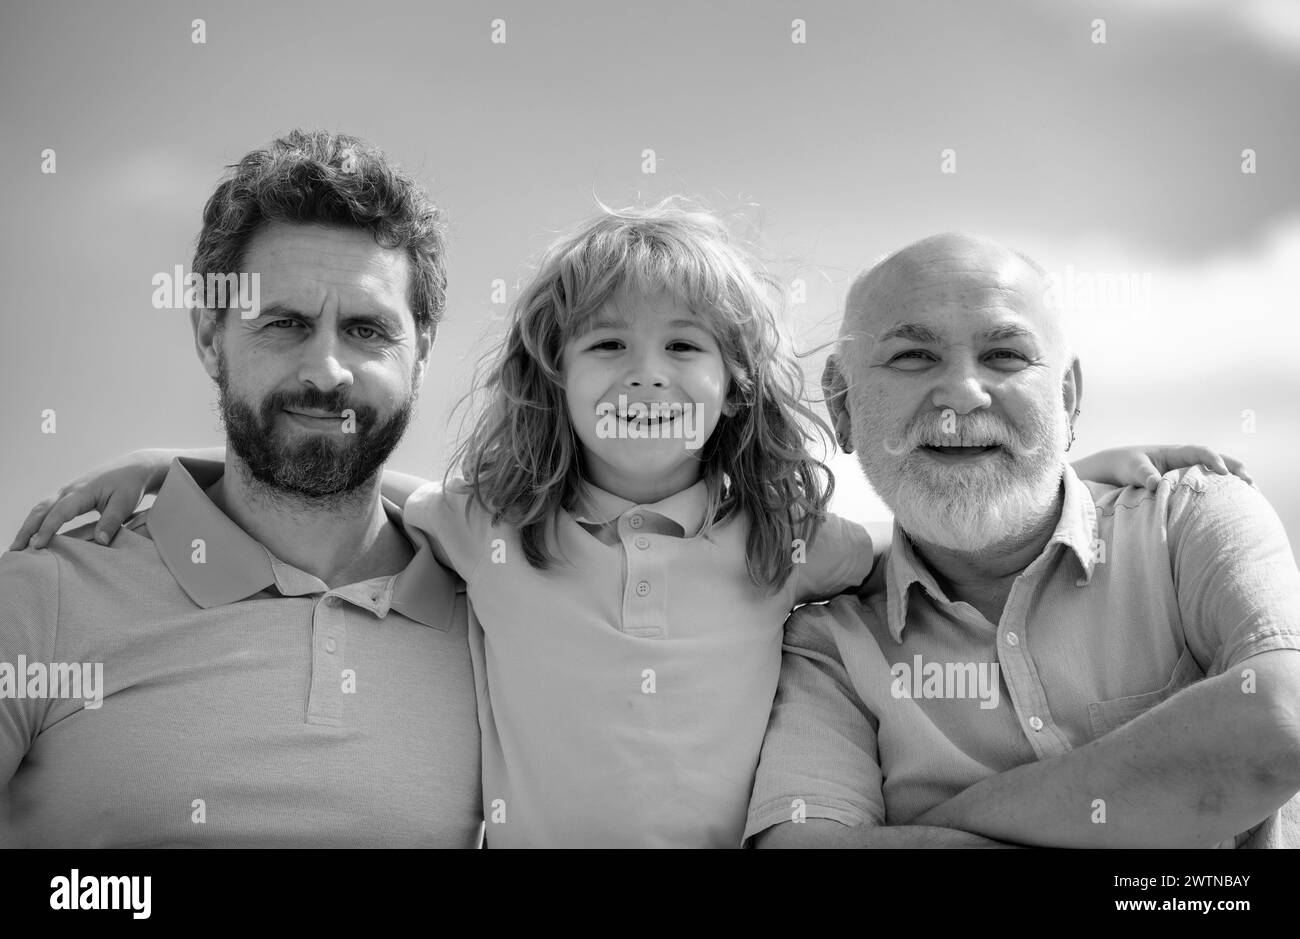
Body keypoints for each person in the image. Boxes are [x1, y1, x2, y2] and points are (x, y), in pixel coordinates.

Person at [10, 208, 1244, 848]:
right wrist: (165, 468)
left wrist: (1081, 469)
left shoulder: (798, 549)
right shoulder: (486, 528)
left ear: (737, 385)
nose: (643, 374)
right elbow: (324, 488)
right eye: (605, 345)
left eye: (683, 348)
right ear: (553, 378)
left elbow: (949, 526)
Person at [0, 129, 481, 847]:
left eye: (366, 329)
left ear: (423, 351)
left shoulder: (495, 620)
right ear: (207, 335)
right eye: (284, 323)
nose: (328, 371)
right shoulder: (43, 599)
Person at [745, 232, 1300, 848]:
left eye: (1006, 355)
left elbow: (1282, 720)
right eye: (911, 356)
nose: (962, 392)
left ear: (1067, 397)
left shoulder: (1191, 520)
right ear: (842, 406)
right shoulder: (830, 646)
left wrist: (927, 833)